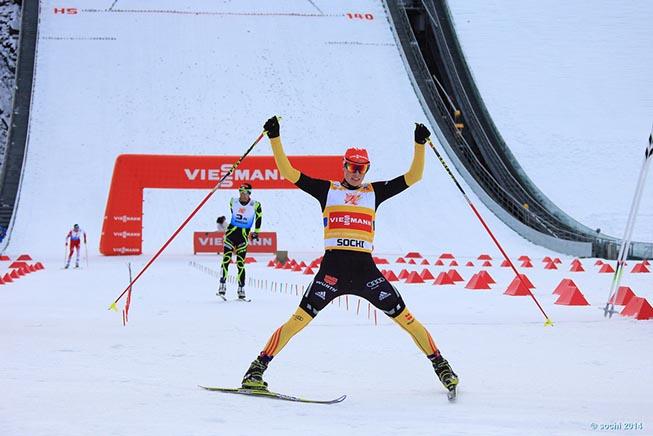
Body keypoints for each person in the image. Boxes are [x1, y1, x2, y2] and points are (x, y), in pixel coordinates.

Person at [240, 116, 459, 397]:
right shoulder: (327, 190)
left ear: (367, 169)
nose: (357, 172)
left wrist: (419, 145)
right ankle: (256, 369)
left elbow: (414, 176)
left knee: (407, 320)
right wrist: (275, 138)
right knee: (297, 321)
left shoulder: (374, 192)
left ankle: (442, 367)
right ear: (344, 166)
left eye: (362, 168)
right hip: (332, 271)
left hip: (366, 273)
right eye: (353, 167)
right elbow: (288, 172)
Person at [217, 183, 262, 300]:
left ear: (249, 193)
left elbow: (259, 217)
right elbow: (233, 211)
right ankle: (222, 285)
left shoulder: (255, 205)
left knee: (240, 263)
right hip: (230, 235)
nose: (242, 195)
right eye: (241, 193)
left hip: (243, 237)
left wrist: (256, 231)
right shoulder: (233, 201)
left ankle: (241, 288)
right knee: (226, 259)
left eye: (245, 193)